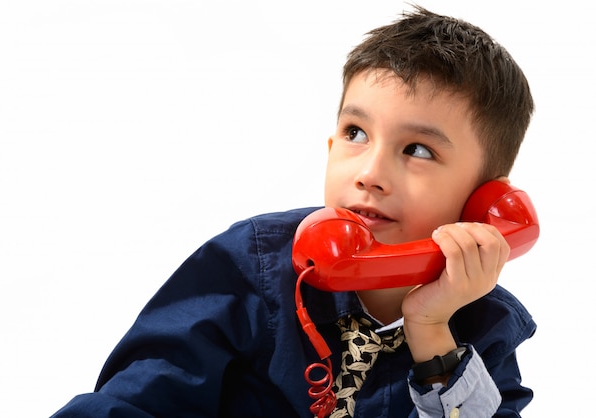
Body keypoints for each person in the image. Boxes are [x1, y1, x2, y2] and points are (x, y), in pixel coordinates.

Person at [51, 6, 536, 418]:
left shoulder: (486, 331)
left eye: (418, 150)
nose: (370, 172)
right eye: (356, 134)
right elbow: (135, 402)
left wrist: (431, 329)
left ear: (483, 204)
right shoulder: (250, 266)